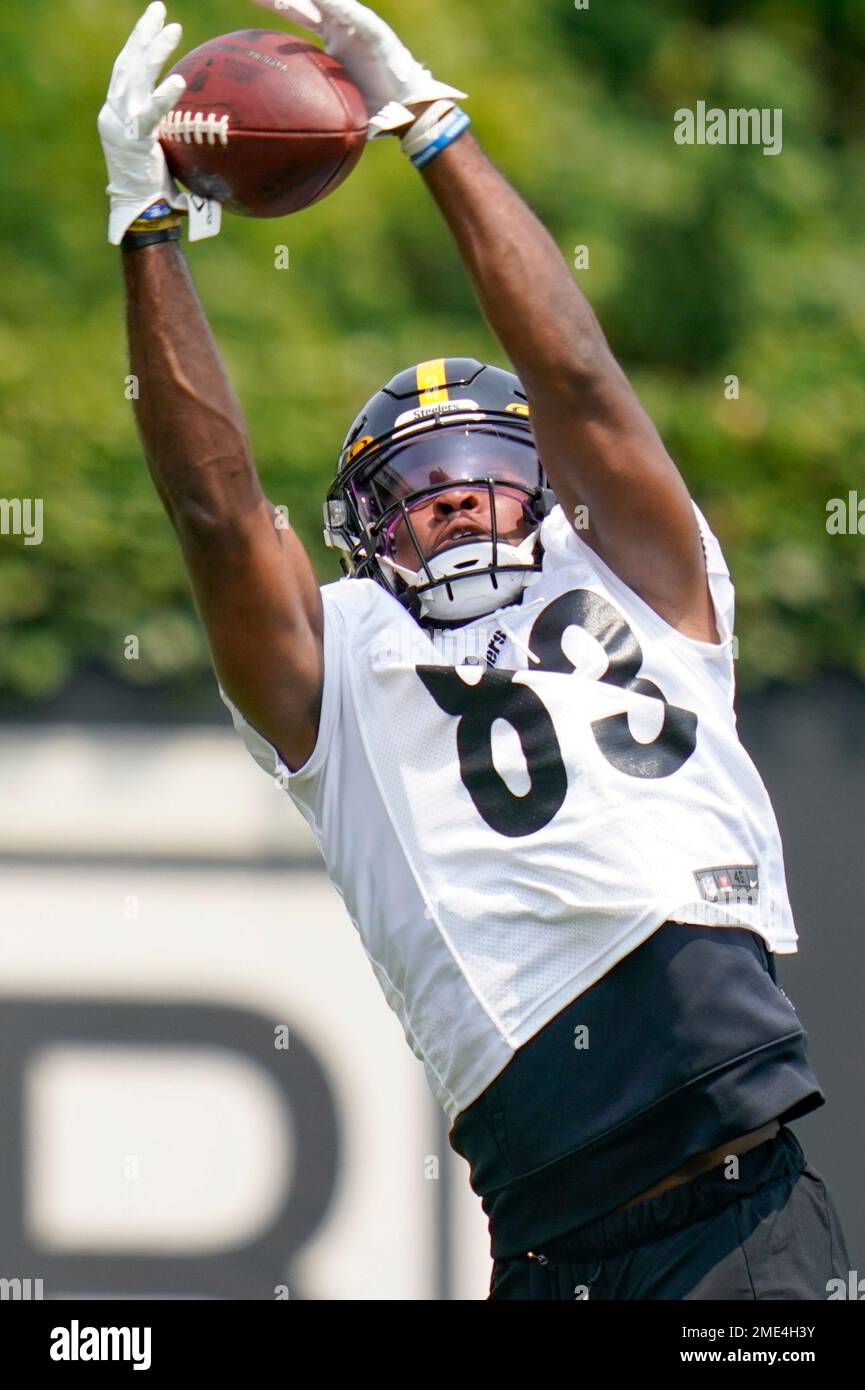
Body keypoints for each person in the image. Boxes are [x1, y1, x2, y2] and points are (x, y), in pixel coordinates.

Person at [99, 1, 852, 1299]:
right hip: (550, 1244)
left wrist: (432, 123)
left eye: (471, 469)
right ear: (356, 533)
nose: (444, 497)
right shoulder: (340, 657)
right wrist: (148, 231)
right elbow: (219, 518)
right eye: (409, 484)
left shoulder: (640, 569)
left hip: (744, 1217)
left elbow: (577, 378)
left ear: (547, 487)